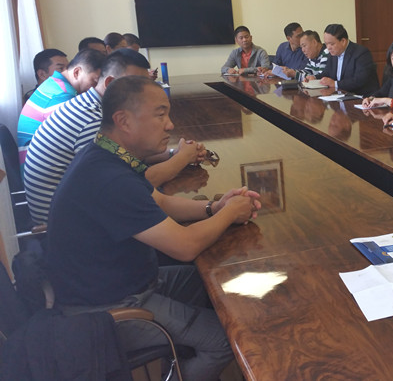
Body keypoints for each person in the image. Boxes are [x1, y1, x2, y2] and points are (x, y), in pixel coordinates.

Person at [45, 75, 261, 381]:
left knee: (218, 282)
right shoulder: (108, 178)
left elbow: (160, 201)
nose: (170, 125)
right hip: (107, 309)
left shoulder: (108, 154)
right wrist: (230, 213)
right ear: (124, 121)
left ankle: (182, 354)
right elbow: (185, 246)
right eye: (160, 115)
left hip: (132, 281)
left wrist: (214, 208)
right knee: (226, 340)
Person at [24, 49, 205, 225]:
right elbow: (136, 183)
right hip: (66, 223)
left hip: (79, 209)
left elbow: (124, 158)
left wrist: (173, 153)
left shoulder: (91, 105)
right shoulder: (92, 121)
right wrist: (183, 158)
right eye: (135, 84)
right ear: (110, 83)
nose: (145, 91)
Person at [17, 48, 105, 165]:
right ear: (77, 72)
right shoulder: (62, 96)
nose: (97, 87)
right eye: (95, 81)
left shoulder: (54, 84)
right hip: (39, 168)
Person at [315, 24, 379, 95]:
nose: (328, 47)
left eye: (331, 44)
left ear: (343, 41)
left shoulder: (361, 53)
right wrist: (314, 78)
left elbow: (360, 80)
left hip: (361, 96)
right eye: (326, 44)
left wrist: (335, 84)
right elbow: (327, 73)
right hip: (341, 95)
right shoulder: (333, 54)